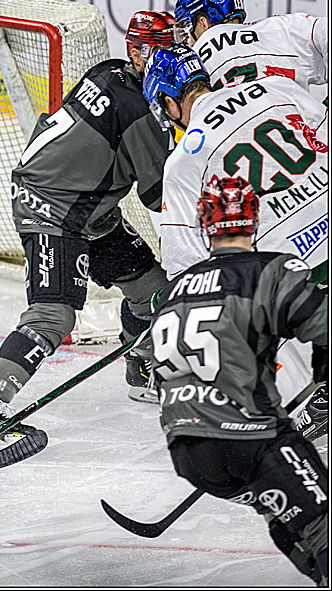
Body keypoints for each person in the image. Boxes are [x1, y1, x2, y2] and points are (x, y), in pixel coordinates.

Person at [0, 10, 180, 445]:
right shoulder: (139, 111)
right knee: (53, 315)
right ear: (137, 52)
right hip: (53, 211)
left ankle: (140, 367)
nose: (164, 61)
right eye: (156, 51)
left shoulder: (109, 72)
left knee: (155, 293)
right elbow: (159, 198)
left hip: (87, 212)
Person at [149, 175, 328, 586]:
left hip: (188, 453)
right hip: (251, 439)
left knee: (286, 512)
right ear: (254, 218)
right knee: (323, 525)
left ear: (203, 223)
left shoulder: (174, 291)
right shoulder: (268, 270)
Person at [144, 44, 328, 440]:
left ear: (169, 102)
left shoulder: (183, 161)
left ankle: (307, 401)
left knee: (240, 300)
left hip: (297, 269)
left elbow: (184, 263)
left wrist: (175, 304)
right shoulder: (275, 86)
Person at [174, 0, 327, 92]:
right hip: (299, 130)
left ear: (203, 22)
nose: (189, 42)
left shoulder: (194, 63)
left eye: (188, 26)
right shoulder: (281, 28)